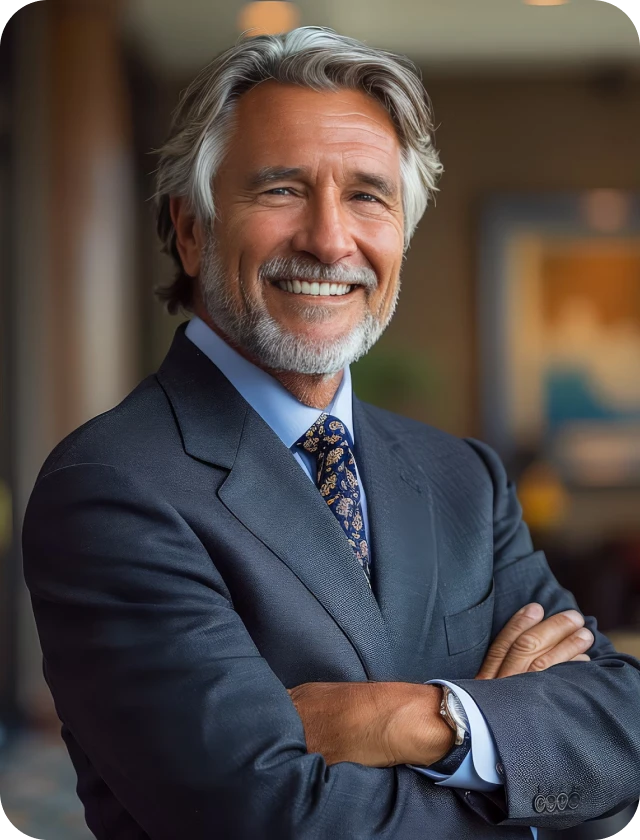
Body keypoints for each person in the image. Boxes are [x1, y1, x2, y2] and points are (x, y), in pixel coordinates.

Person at [22, 27, 640, 840]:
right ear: (190, 227)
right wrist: (510, 747)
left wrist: (418, 716)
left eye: (367, 196)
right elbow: (267, 817)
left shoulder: (462, 477)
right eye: (280, 190)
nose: (329, 238)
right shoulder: (111, 486)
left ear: (402, 236)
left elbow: (621, 724)